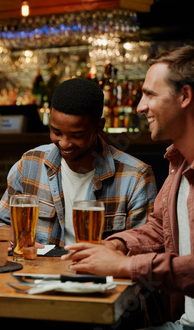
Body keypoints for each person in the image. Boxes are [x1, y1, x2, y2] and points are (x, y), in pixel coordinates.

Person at [63, 46, 194, 329]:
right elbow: (161, 228)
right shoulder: (179, 165)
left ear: (185, 96)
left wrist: (125, 266)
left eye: (150, 94)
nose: (139, 107)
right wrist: (116, 245)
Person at [0, 78, 157, 247]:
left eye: (76, 135)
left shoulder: (135, 177)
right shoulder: (30, 164)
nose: (64, 143)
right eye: (56, 132)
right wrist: (11, 235)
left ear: (99, 127)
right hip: (38, 272)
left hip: (97, 273)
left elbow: (144, 247)